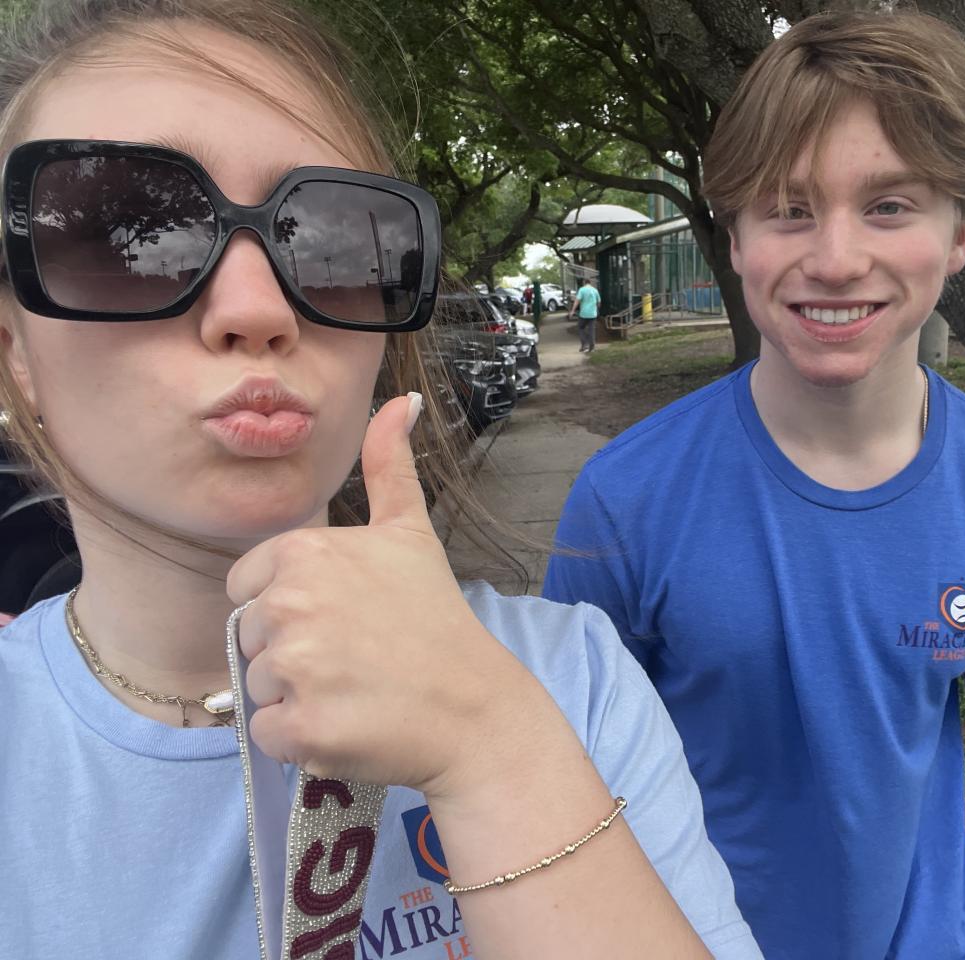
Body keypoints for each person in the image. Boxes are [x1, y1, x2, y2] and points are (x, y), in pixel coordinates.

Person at [0, 2, 763, 958]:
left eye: (333, 239)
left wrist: (493, 752)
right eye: (126, 232)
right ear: (15, 349)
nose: (258, 307)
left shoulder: (569, 678)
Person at [544, 11, 965, 960]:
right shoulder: (625, 502)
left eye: (890, 206)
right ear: (737, 239)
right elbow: (568, 774)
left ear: (960, 231)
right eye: (789, 209)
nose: (835, 260)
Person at [569, 275, 600, 353]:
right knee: (591, 330)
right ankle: (592, 347)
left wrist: (572, 311)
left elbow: (577, 301)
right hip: (593, 313)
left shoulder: (582, 290)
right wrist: (596, 309)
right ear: (590, 283)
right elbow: (599, 302)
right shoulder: (595, 290)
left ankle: (585, 345)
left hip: (584, 314)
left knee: (581, 327)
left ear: (584, 282)